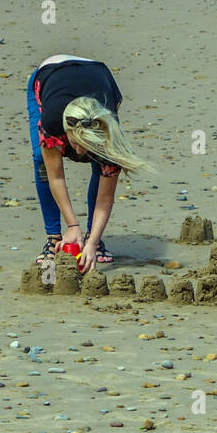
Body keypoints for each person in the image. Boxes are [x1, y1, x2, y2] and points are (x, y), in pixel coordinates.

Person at [27, 54, 148, 273]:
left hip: (99, 75)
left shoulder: (110, 136)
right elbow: (56, 177)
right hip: (49, 74)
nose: (80, 152)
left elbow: (106, 196)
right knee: (41, 162)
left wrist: (91, 243)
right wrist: (72, 225)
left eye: (87, 146)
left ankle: (95, 238)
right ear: (67, 132)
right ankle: (53, 237)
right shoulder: (52, 122)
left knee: (99, 163)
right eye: (76, 144)